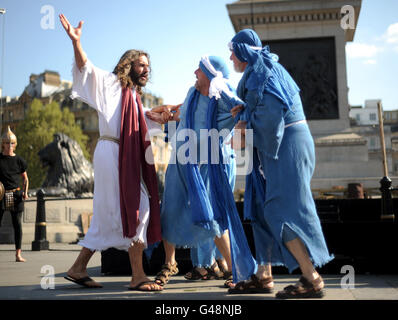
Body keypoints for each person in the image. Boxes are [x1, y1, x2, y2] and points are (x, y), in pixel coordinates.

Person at [59, 14, 166, 291]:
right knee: (137, 207)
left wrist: (165, 115)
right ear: (128, 65)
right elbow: (86, 68)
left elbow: (141, 119)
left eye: (148, 66)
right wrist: (77, 43)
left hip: (120, 154)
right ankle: (138, 275)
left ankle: (79, 267)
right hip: (112, 153)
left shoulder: (132, 97)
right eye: (141, 64)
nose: (146, 69)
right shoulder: (110, 84)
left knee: (114, 212)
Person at [227, 29, 333, 298]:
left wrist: (244, 128)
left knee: (280, 211)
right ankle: (264, 275)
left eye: (233, 52)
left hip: (286, 146)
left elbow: (272, 119)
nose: (230, 57)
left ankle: (312, 278)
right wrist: (245, 114)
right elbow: (262, 108)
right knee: (262, 206)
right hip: (280, 146)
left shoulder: (264, 73)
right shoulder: (259, 71)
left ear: (243, 52)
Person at [146, 55, 256, 288]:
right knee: (170, 211)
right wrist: (165, 118)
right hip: (180, 163)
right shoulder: (191, 95)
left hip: (207, 166)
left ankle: (236, 270)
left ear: (211, 75)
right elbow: (175, 116)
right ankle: (169, 263)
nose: (195, 73)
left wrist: (241, 120)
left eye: (199, 70)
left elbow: (243, 113)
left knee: (210, 217)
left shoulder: (225, 100)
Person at [0, 126, 29, 262]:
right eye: (7, 143)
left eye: (12, 143)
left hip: (15, 195)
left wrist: (25, 192)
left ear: (15, 144)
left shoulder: (19, 160)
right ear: (3, 144)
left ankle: (18, 254)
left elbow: (25, 178)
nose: (9, 145)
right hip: (1, 195)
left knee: (17, 225)